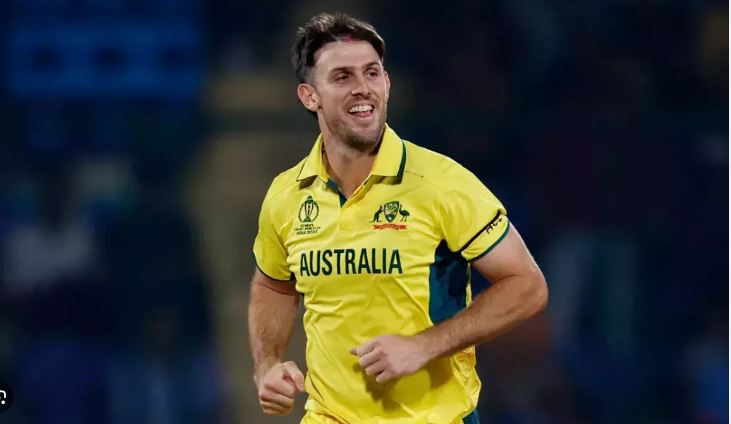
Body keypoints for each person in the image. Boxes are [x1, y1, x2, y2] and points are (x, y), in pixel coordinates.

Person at [248, 12, 548, 424]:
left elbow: (527, 285)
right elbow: (273, 284)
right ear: (309, 96)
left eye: (372, 73)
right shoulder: (286, 193)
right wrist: (267, 364)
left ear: (387, 84)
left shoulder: (440, 182)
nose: (362, 88)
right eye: (342, 77)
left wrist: (425, 345)